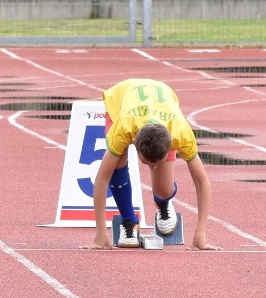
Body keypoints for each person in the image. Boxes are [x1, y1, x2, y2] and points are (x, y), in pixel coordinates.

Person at [80, 78, 221, 251]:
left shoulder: (180, 133)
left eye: (156, 163)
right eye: (146, 162)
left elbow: (202, 181)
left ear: (170, 146)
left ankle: (163, 202)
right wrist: (101, 234)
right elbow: (102, 178)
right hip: (121, 99)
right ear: (133, 141)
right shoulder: (124, 128)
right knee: (117, 161)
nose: (151, 167)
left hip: (162, 102)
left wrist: (201, 233)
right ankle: (129, 222)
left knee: (163, 189)